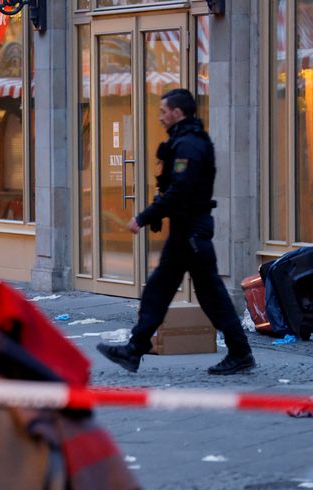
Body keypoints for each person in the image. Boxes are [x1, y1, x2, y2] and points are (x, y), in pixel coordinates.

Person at [96, 88, 255, 376]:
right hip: (185, 231)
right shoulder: (183, 141)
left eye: (163, 111)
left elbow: (180, 190)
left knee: (211, 296)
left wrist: (145, 217)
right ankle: (135, 348)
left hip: (192, 233)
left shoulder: (190, 146)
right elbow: (174, 190)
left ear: (177, 113)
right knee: (158, 290)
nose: (160, 117)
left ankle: (240, 353)